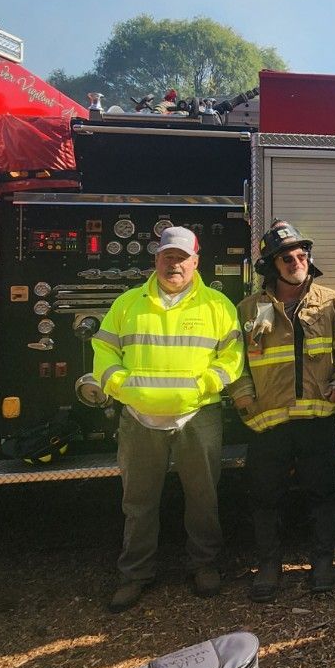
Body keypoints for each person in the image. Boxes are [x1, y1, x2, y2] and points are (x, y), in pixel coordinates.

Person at [92, 226, 243, 613]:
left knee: (203, 497)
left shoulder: (217, 306)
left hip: (198, 415)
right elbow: (103, 353)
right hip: (139, 418)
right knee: (139, 502)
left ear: (196, 262)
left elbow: (232, 359)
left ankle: (204, 565)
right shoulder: (127, 304)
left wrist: (203, 386)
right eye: (167, 257)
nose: (174, 264)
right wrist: (125, 389)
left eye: (181, 258)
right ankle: (135, 574)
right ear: (156, 260)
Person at [230, 220, 335, 601]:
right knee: (264, 497)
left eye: (301, 255)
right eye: (286, 257)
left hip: (317, 419)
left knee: (324, 494)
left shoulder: (330, 301)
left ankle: (322, 564)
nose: (295, 261)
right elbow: (231, 359)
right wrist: (242, 395)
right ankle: (269, 568)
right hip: (267, 421)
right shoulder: (248, 308)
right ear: (271, 265)